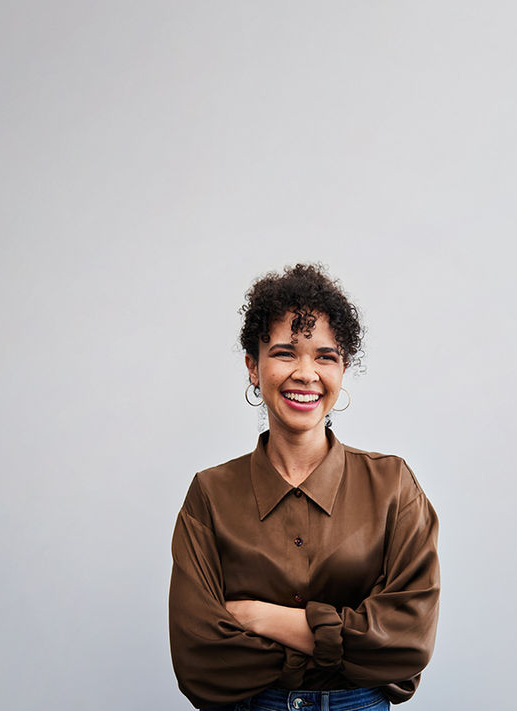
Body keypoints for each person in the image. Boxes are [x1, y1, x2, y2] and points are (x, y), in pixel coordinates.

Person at [169, 264, 440, 711]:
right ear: (253, 367)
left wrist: (262, 618)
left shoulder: (393, 486)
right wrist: (349, 640)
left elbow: (407, 642)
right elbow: (201, 662)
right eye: (284, 353)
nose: (306, 373)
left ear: (343, 368)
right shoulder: (209, 495)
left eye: (325, 356)